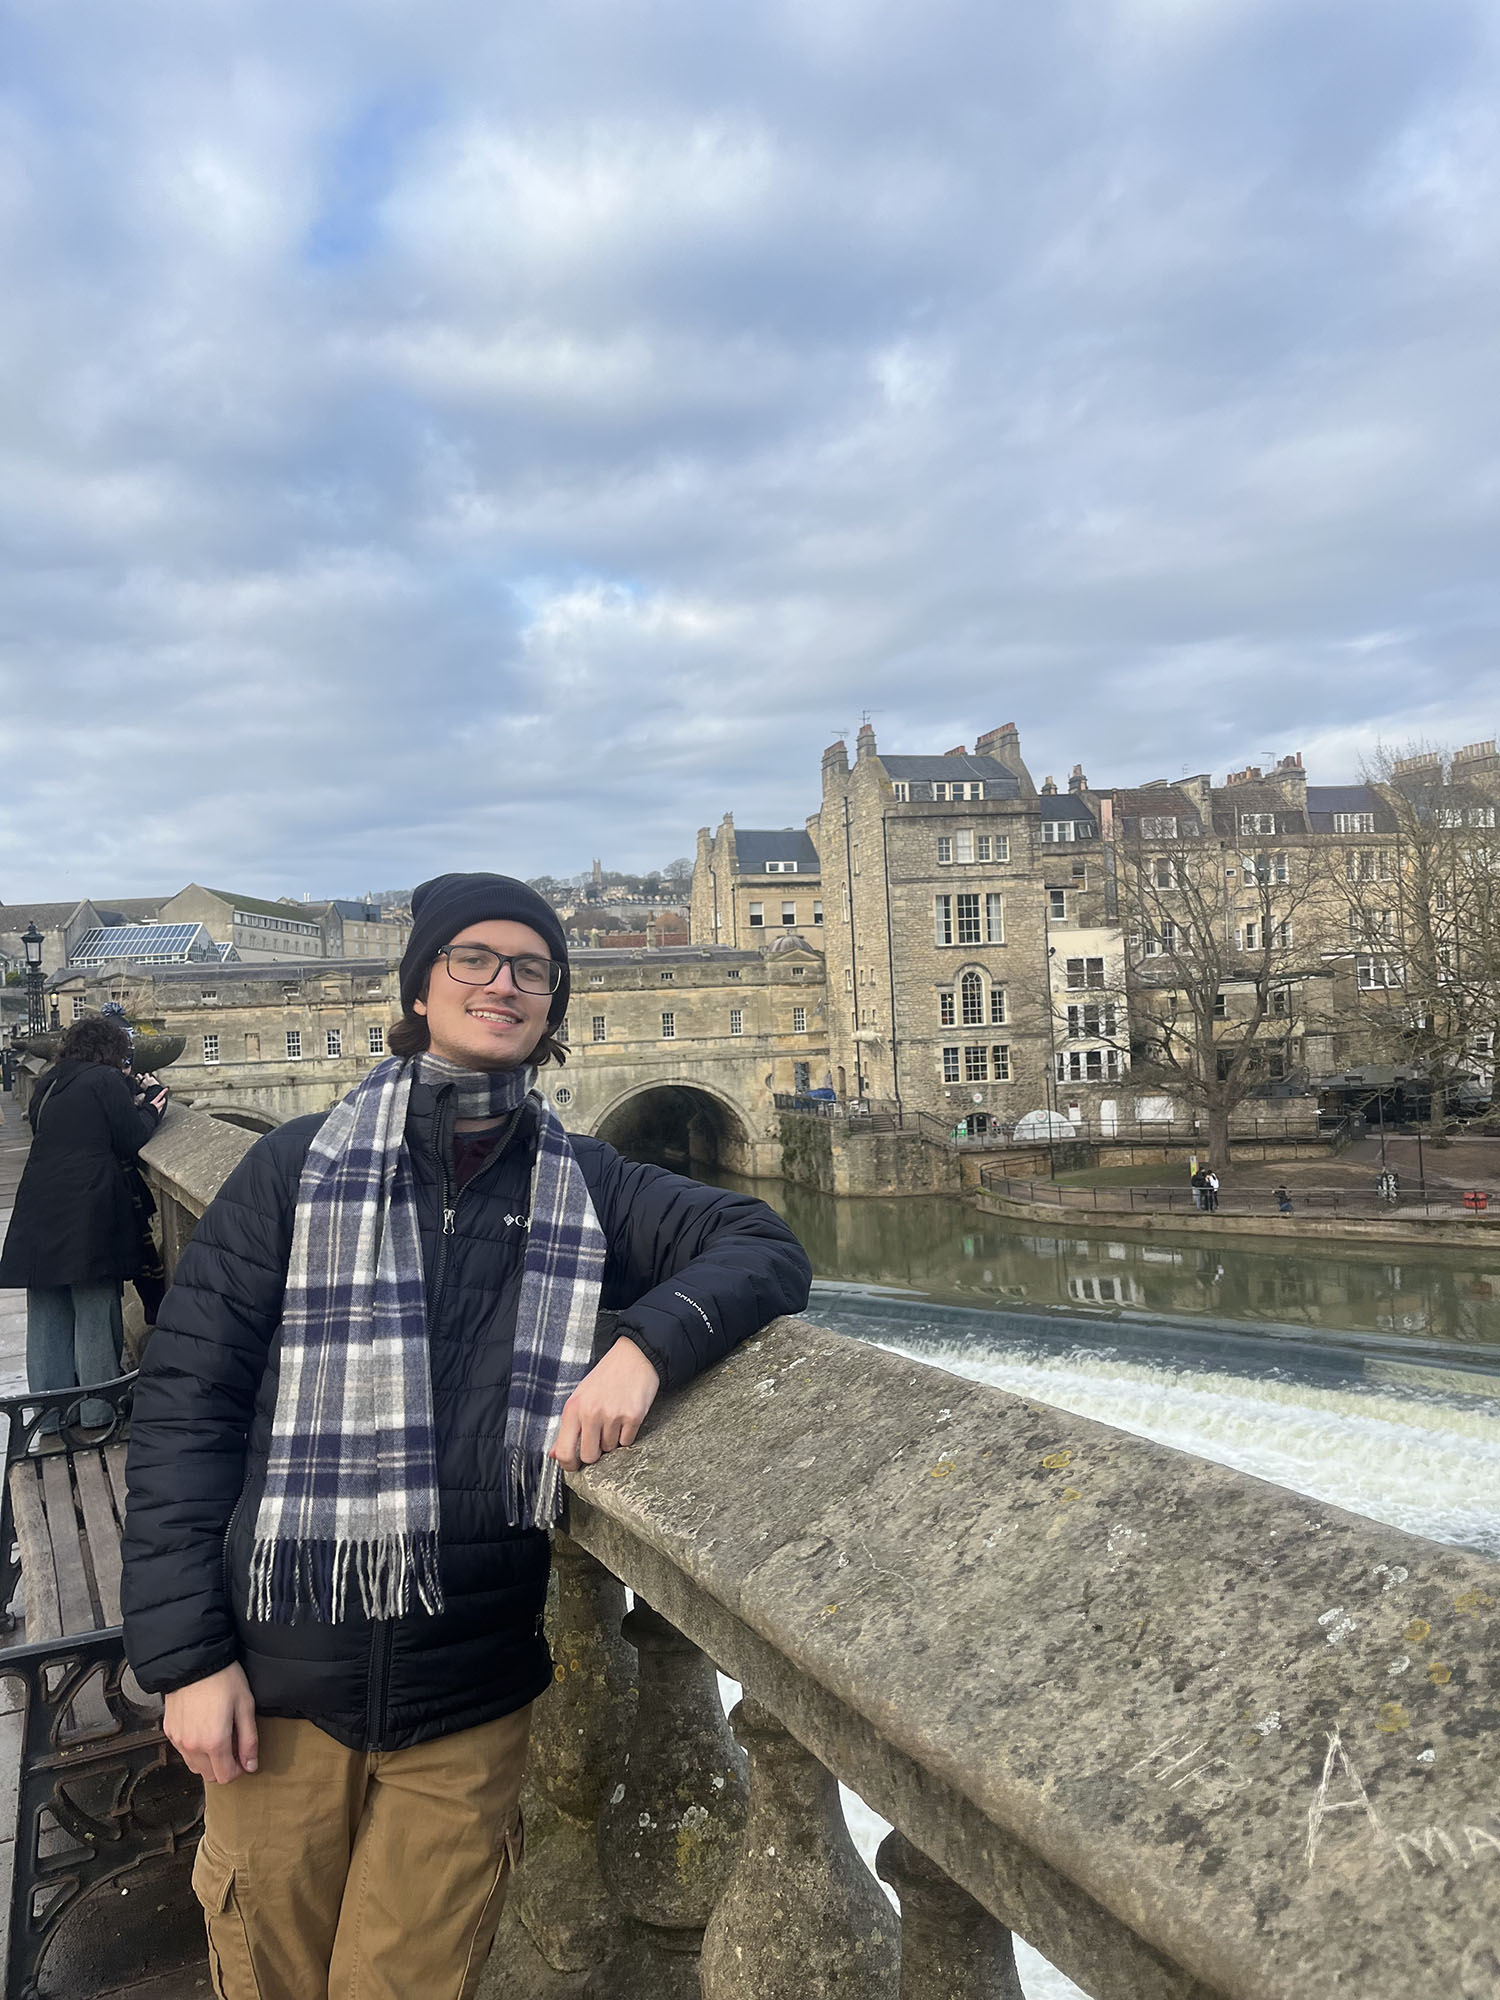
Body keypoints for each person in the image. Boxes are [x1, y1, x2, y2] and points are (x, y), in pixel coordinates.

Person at [119, 873, 812, 2000]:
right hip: (277, 1677)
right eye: (474, 958)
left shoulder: (581, 1181)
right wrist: (186, 1660)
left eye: (532, 968)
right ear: (420, 987)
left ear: (552, 1004)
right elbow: (186, 1408)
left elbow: (762, 1244)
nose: (504, 983)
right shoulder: (294, 1168)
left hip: (470, 1691)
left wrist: (648, 1344)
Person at [0, 1016, 167, 1425]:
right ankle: (97, 1412)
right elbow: (130, 1137)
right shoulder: (105, 1080)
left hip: (39, 1204)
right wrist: (153, 1106)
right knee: (94, 1309)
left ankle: (49, 1417)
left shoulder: (50, 1082)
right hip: (87, 1209)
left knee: (47, 1312)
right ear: (111, 1051)